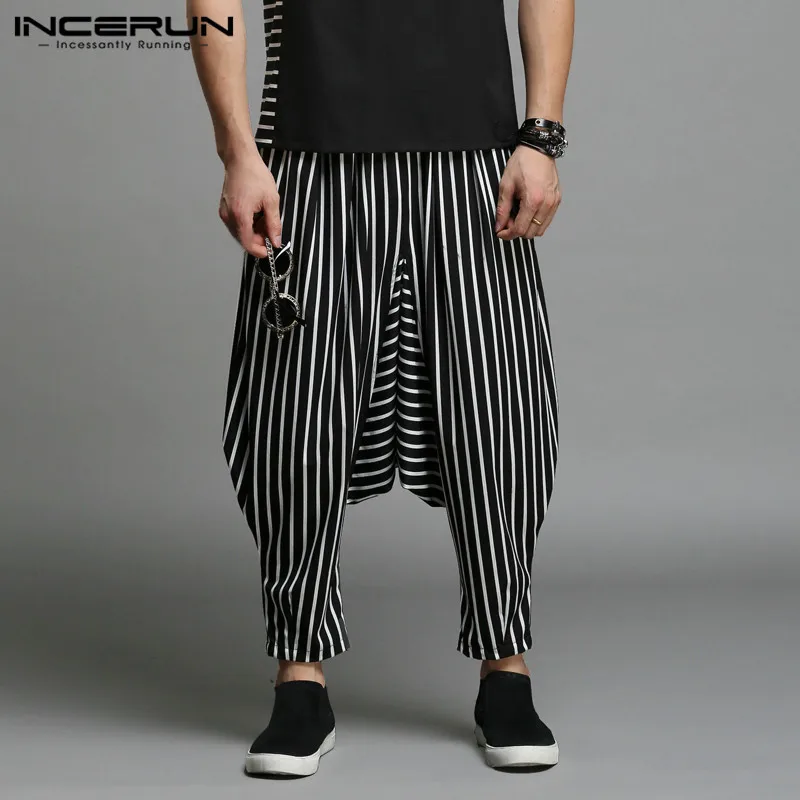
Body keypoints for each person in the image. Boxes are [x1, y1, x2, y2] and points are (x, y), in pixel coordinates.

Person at [188, 0, 573, 777]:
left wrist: (541, 136)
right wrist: (237, 151)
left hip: (472, 156)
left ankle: (506, 666)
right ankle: (299, 675)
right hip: (311, 151)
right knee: (293, 419)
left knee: (499, 411)